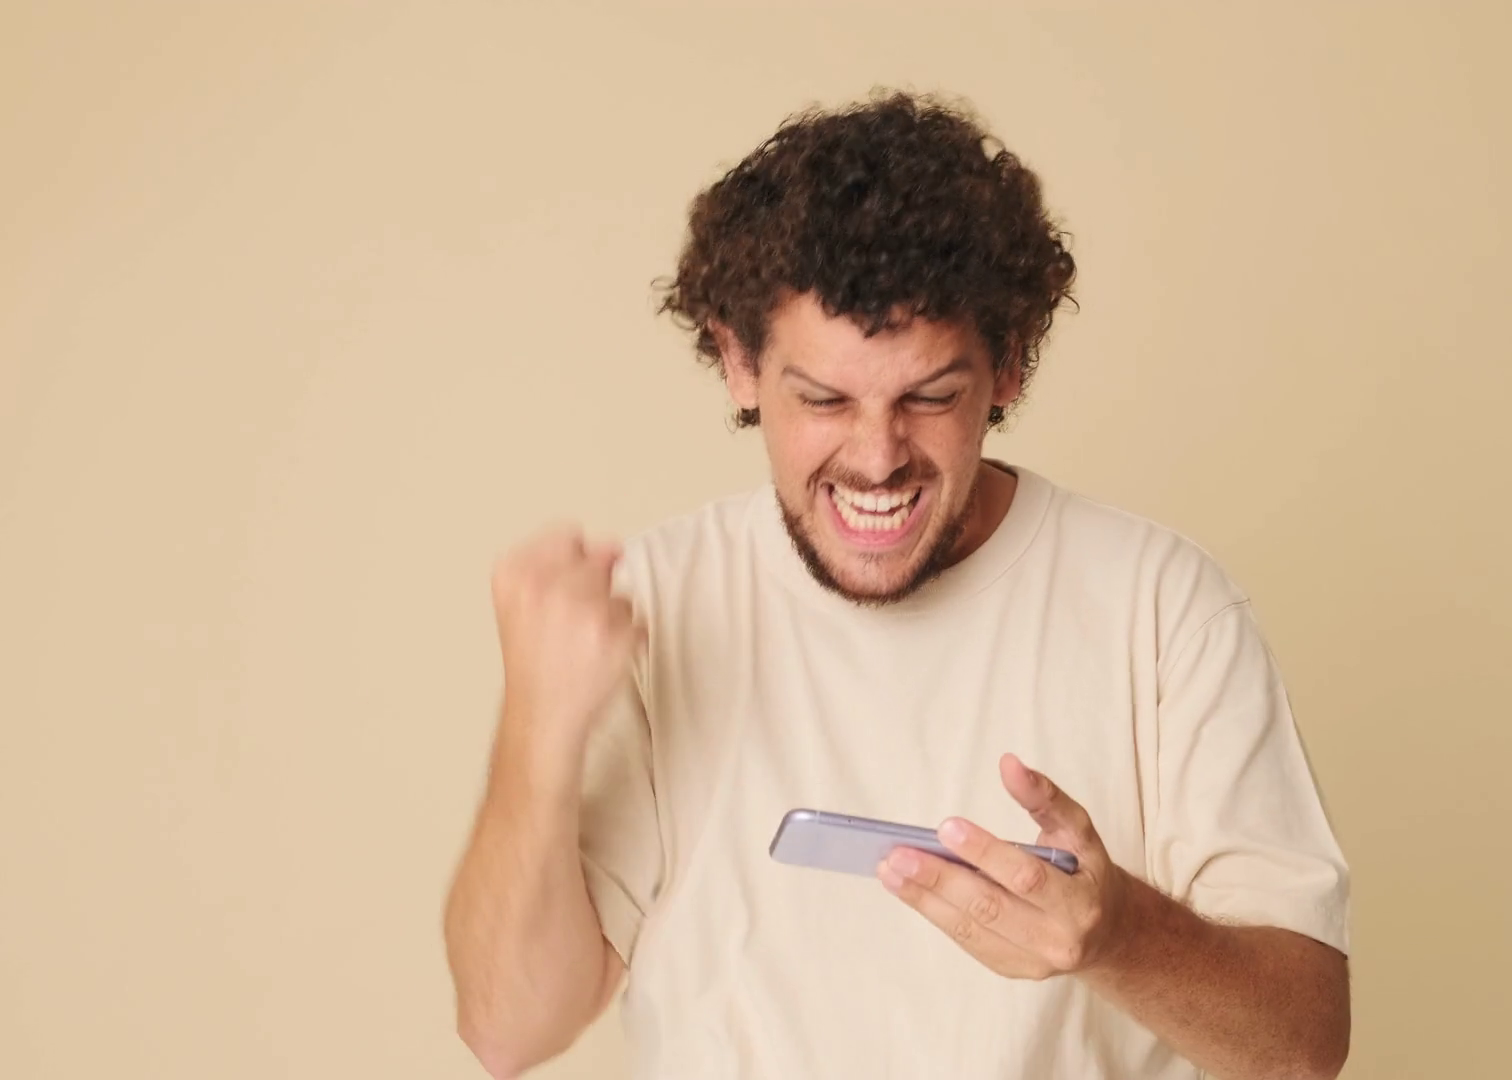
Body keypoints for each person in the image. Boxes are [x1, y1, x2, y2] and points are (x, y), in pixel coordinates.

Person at [442, 90, 1351, 1080]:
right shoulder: (655, 603)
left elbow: (1302, 1049)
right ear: (740, 364)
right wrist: (537, 725)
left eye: (931, 396)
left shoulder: (1165, 609)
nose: (878, 458)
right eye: (824, 399)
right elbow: (508, 1030)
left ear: (1008, 367)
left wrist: (1116, 935)